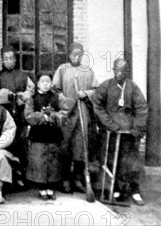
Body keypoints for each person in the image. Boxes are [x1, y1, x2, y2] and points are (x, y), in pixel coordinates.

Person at [92, 58, 148, 206]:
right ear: (113, 71)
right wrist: (109, 124)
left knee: (131, 161)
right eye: (117, 71)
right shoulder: (106, 86)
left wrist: (137, 127)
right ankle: (115, 188)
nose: (120, 74)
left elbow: (142, 108)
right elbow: (97, 105)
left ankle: (134, 190)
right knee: (111, 160)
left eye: (123, 71)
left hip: (129, 132)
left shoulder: (133, 87)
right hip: (111, 131)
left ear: (128, 72)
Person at [52, 42, 99, 193]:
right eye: (73, 54)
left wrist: (86, 94)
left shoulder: (88, 71)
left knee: (80, 144)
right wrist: (64, 100)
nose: (76, 57)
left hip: (82, 113)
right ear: (69, 54)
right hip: (66, 112)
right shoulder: (62, 69)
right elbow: (54, 89)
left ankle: (78, 178)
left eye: (79, 54)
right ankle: (64, 178)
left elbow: (96, 90)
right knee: (65, 144)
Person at [25, 72, 75, 201]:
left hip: (53, 134)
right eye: (43, 82)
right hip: (39, 134)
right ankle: (42, 188)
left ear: (51, 83)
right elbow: (28, 115)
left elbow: (65, 112)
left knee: (53, 160)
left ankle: (51, 188)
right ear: (38, 84)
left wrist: (54, 116)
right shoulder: (32, 98)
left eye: (48, 81)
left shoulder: (58, 97)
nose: (46, 84)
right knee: (40, 161)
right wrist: (41, 116)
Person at [0, 45, 35, 187]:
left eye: (12, 58)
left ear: (15, 60)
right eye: (6, 59)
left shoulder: (23, 76)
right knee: (5, 143)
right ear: (2, 61)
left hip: (20, 116)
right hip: (3, 117)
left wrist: (22, 97)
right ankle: (3, 177)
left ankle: (20, 176)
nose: (9, 61)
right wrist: (6, 96)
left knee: (20, 144)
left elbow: (31, 91)